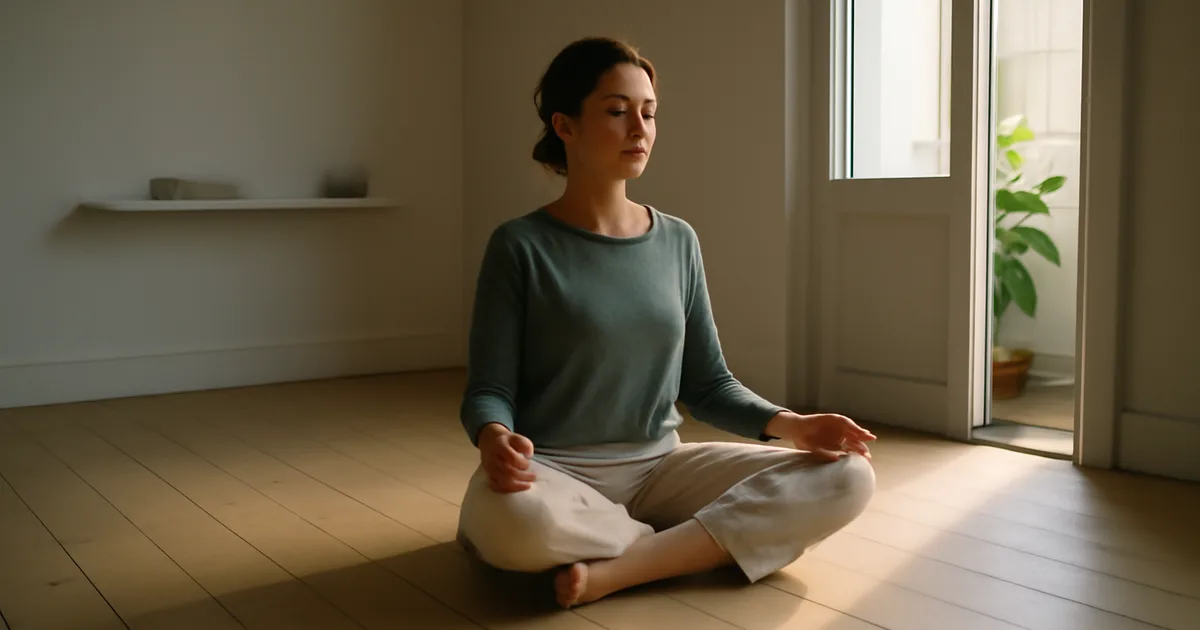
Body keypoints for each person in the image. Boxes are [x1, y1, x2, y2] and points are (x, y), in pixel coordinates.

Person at [456, 36, 876, 609]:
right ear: (565, 125)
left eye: (649, 113)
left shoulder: (677, 240)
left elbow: (707, 384)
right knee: (513, 521)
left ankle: (627, 566)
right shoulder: (519, 245)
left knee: (848, 477)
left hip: (660, 468)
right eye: (616, 111)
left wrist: (794, 426)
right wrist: (495, 437)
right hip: (554, 471)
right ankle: (702, 543)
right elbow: (489, 389)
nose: (640, 128)